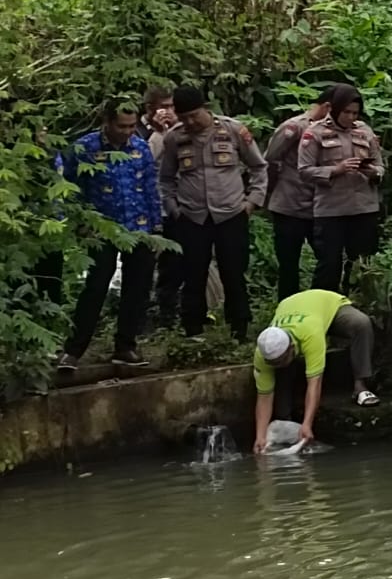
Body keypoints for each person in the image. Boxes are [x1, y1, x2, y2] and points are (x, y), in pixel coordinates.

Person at [55, 98, 163, 371]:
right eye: (121, 126)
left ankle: (125, 346)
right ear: (107, 122)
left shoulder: (140, 147)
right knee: (95, 287)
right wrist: (80, 223)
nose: (127, 131)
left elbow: (150, 188)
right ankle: (73, 350)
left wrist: (156, 228)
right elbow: (69, 188)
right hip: (100, 230)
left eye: (132, 126)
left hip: (139, 228)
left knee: (137, 289)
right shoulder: (84, 148)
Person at [159, 85, 267, 340]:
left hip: (231, 213)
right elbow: (165, 179)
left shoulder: (233, 130)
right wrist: (174, 209)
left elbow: (259, 167)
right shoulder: (174, 138)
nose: (190, 122)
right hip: (192, 216)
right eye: (184, 117)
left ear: (205, 108)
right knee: (193, 274)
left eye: (194, 115)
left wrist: (252, 202)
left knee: (234, 273)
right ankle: (193, 330)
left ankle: (239, 329)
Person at [252, 289, 378, 452]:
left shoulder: (311, 335)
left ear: (291, 348)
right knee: (282, 378)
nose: (277, 365)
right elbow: (264, 396)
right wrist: (260, 436)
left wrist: (307, 424)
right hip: (290, 304)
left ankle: (360, 385)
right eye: (272, 363)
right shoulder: (262, 353)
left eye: (281, 360)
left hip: (328, 304)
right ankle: (285, 415)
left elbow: (314, 383)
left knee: (361, 323)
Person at [298, 84, 384, 293]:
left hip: (364, 207)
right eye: (346, 112)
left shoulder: (364, 130)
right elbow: (304, 170)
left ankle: (361, 302)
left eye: (355, 113)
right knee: (329, 265)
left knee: (363, 264)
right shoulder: (315, 133)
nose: (351, 117)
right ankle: (322, 306)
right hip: (331, 210)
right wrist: (336, 170)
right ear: (334, 109)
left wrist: (372, 172)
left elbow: (381, 166)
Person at [265, 88, 334, 300]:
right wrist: (270, 191)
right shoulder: (294, 127)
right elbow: (270, 159)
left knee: (328, 259)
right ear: (328, 107)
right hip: (290, 204)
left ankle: (319, 304)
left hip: (319, 206)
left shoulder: (333, 130)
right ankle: (287, 307)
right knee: (288, 264)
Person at [139, 85, 181, 326]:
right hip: (145, 207)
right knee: (143, 265)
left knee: (173, 264)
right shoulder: (136, 130)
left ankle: (167, 313)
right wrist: (158, 133)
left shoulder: (179, 129)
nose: (169, 111)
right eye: (164, 106)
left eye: (172, 106)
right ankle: (140, 316)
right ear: (150, 107)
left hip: (173, 204)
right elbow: (143, 163)